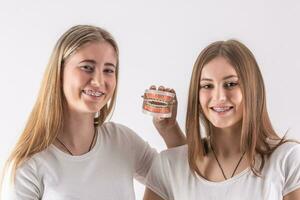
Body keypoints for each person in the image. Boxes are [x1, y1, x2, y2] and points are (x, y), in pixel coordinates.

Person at [0, 25, 185, 199]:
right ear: (59, 72)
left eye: (108, 70)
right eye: (87, 67)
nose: (99, 81)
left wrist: (169, 129)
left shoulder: (122, 141)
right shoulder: (28, 166)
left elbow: (181, 182)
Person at [144, 39, 300, 200]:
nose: (219, 97)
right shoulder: (167, 165)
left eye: (231, 84)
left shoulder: (287, 159)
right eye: (207, 86)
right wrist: (169, 130)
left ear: (253, 89)